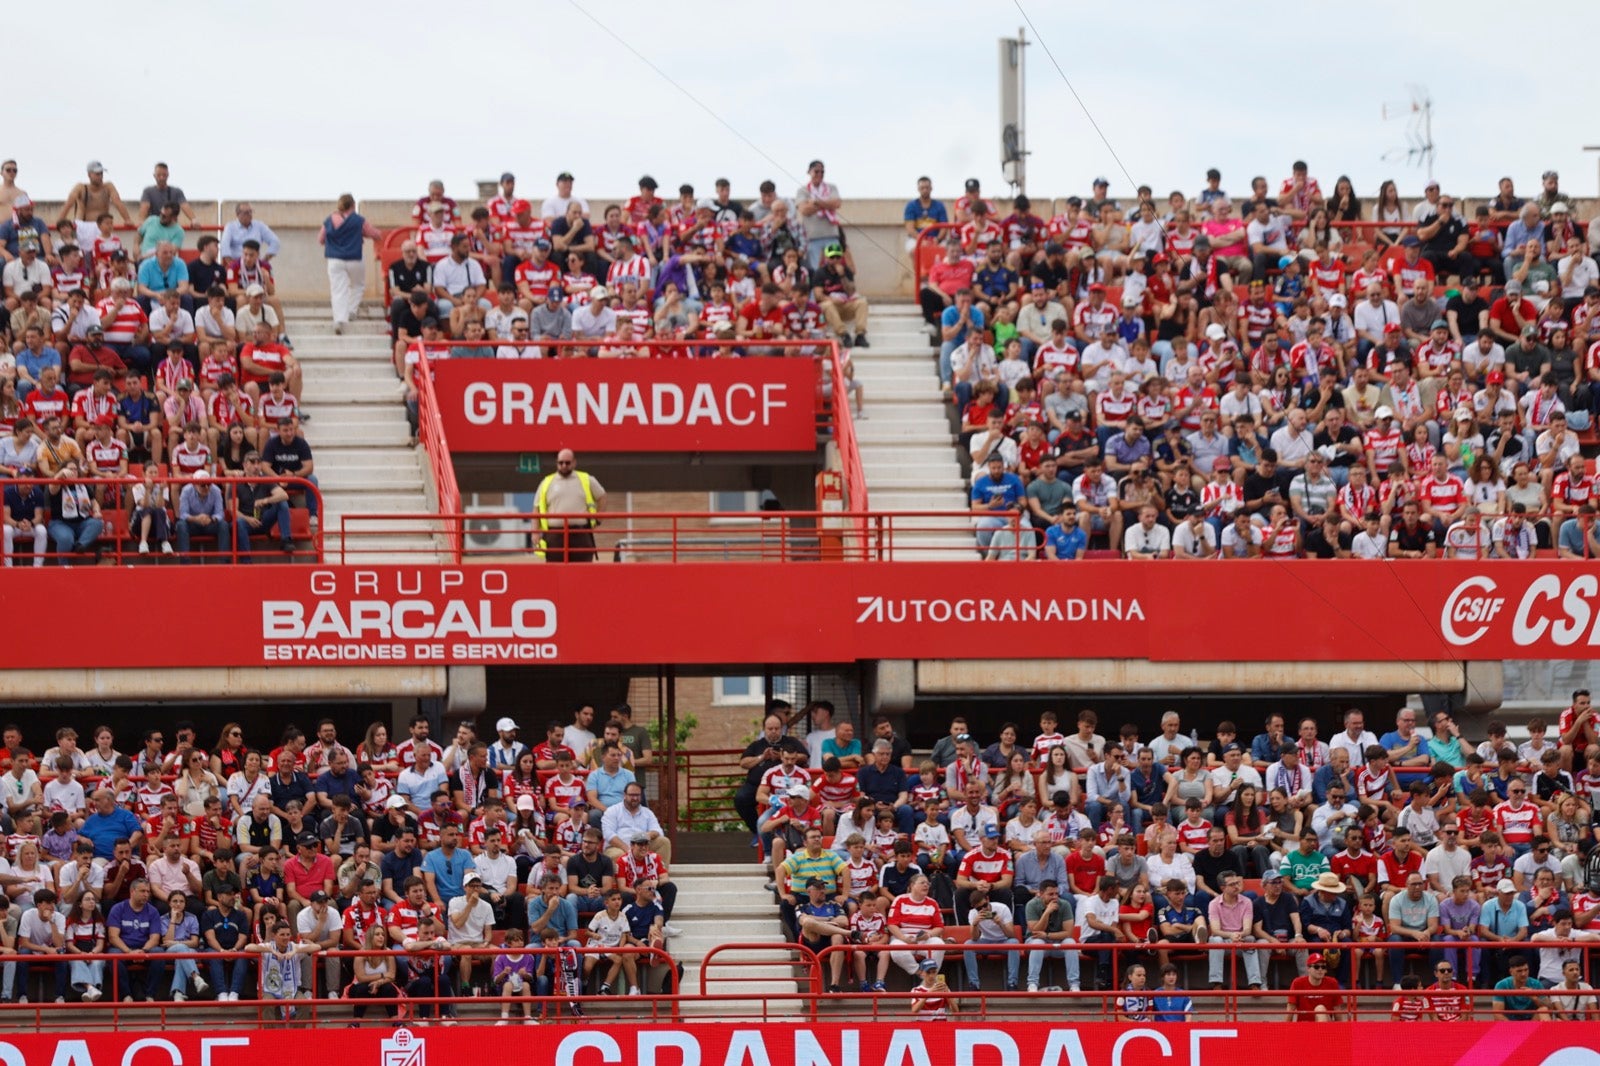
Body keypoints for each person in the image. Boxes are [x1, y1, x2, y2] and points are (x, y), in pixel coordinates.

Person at [320, 194, 381, 334]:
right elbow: (373, 233)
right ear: (353, 205)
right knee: (358, 285)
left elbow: (321, 239)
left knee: (338, 290)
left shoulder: (329, 220)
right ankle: (351, 310)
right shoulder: (358, 220)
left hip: (334, 259)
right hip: (354, 258)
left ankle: (339, 320)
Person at [535, 448, 604, 562]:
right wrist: (535, 533)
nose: (564, 465)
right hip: (554, 536)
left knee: (582, 573)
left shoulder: (586, 479)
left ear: (574, 463)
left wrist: (598, 519)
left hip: (581, 535)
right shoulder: (546, 482)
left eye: (567, 462)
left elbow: (602, 497)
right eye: (560, 462)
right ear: (556, 463)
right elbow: (536, 508)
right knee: (555, 573)